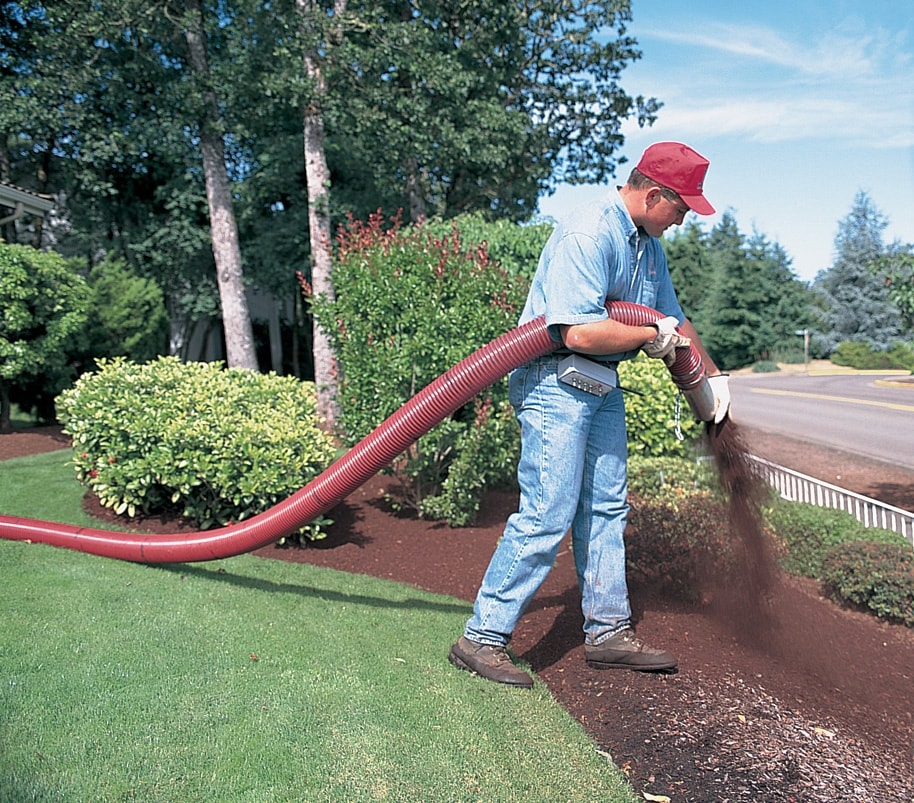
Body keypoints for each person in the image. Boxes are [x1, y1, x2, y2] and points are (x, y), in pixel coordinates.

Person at [448, 141, 730, 688]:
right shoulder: (588, 232)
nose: (684, 220)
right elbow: (576, 330)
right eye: (682, 208)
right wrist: (652, 335)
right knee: (548, 512)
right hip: (554, 380)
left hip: (600, 382)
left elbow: (674, 317)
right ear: (653, 195)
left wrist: (713, 381)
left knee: (605, 508)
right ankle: (481, 638)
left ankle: (608, 634)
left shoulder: (649, 247)